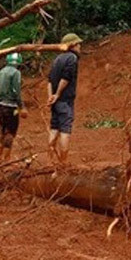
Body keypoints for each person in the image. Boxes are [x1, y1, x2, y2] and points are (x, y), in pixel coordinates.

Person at [47, 33, 82, 164]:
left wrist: (51, 96)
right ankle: (63, 163)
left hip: (56, 102)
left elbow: (50, 80)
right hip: (65, 100)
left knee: (54, 129)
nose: (80, 47)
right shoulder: (72, 58)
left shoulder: (57, 59)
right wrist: (57, 94)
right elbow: (66, 78)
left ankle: (50, 162)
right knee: (65, 130)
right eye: (78, 44)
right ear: (73, 45)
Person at [0, 53, 27, 162]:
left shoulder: (0, 72)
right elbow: (16, 91)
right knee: (10, 133)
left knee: (3, 131)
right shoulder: (16, 73)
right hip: (11, 107)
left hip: (1, 106)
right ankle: (6, 159)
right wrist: (21, 106)